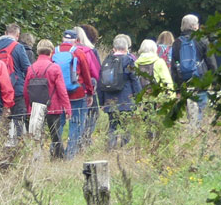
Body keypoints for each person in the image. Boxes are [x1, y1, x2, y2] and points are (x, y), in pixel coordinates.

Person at [23, 40, 70, 159]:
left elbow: (26, 90)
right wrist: (67, 108)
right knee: (55, 136)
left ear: (38, 51)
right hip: (53, 107)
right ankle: (58, 158)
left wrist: (29, 108)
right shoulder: (54, 68)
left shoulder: (31, 68)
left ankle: (36, 158)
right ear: (51, 51)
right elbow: (62, 90)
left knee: (36, 135)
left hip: (36, 107)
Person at [170, 14, 217, 127]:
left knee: (190, 111)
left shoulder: (176, 43)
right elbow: (211, 62)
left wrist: (177, 88)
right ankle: (199, 132)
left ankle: (192, 130)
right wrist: (215, 82)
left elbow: (174, 67)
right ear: (195, 27)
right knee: (201, 109)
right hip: (201, 81)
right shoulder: (202, 40)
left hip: (184, 82)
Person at [97, 34, 144, 147]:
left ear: (113, 49)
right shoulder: (128, 61)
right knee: (126, 126)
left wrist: (102, 102)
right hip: (126, 100)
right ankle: (123, 148)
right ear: (127, 48)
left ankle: (110, 148)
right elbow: (135, 80)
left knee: (112, 126)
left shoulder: (106, 61)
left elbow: (100, 84)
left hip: (110, 101)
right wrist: (139, 98)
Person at [56, 29, 94, 158]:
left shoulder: (54, 52)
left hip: (59, 95)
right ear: (76, 41)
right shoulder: (78, 52)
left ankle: (56, 153)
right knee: (76, 123)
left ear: (62, 39)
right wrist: (90, 92)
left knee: (58, 123)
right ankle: (70, 155)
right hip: (76, 93)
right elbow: (86, 74)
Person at [0, 24, 32, 140]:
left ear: (5, 33)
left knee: (1, 121)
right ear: (17, 35)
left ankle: (0, 147)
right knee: (18, 119)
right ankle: (18, 147)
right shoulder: (18, 47)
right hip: (16, 89)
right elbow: (27, 68)